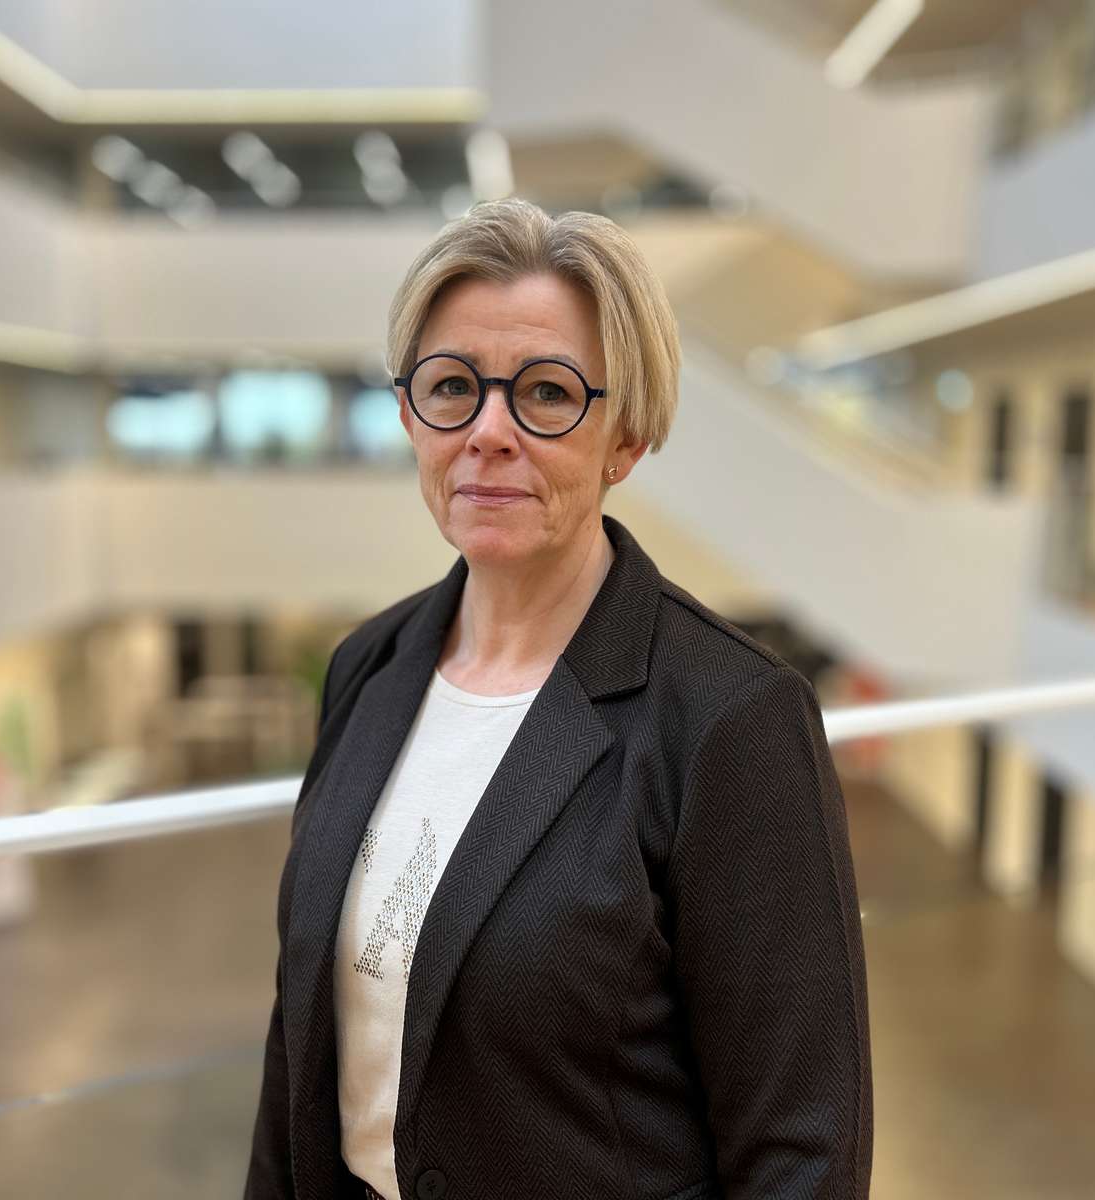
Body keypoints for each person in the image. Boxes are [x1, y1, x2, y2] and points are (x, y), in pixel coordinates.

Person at [245, 198, 871, 1200]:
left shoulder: (730, 720)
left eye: (545, 393)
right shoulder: (369, 666)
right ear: (409, 416)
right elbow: (299, 1048)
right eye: (452, 387)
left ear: (626, 438)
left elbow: (801, 1149)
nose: (488, 432)